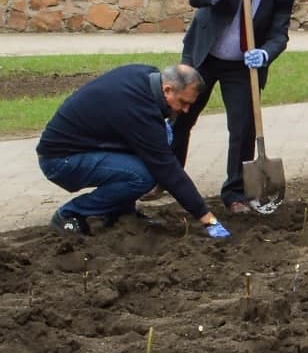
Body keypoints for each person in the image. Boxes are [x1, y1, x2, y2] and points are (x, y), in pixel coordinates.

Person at [37, 64, 230, 239]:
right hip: (60, 159)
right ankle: (70, 213)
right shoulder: (140, 111)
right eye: (183, 102)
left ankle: (121, 213)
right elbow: (168, 170)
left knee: (161, 140)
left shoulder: (146, 76)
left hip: (85, 145)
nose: (186, 110)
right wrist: (208, 219)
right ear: (167, 90)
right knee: (143, 176)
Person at [177, 0, 296, 214]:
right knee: (181, 116)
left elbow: (279, 34)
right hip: (204, 55)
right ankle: (165, 178)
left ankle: (235, 192)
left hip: (243, 66)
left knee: (243, 127)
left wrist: (265, 53)